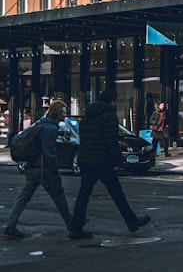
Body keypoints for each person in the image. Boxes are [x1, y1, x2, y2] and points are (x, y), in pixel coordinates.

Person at [68, 89, 151, 239]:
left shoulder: (87, 117)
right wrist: (118, 161)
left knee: (83, 195)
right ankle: (132, 221)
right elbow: (111, 142)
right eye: (115, 101)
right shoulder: (109, 117)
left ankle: (76, 227)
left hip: (86, 160)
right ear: (112, 101)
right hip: (102, 161)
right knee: (117, 193)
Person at [4, 100, 74, 240]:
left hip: (33, 167)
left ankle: (10, 226)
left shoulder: (41, 124)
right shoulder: (50, 128)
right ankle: (72, 225)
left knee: (23, 197)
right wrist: (54, 170)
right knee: (59, 196)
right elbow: (49, 152)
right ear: (58, 112)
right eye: (64, 111)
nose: (66, 114)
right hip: (44, 169)